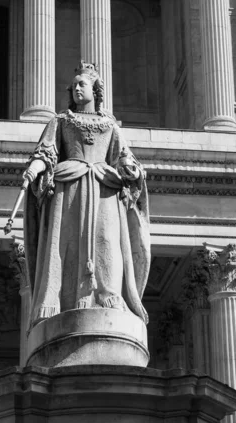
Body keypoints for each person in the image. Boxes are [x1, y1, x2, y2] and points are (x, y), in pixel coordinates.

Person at [23, 61, 150, 327]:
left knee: (106, 240)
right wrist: (34, 169)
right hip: (69, 187)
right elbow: (46, 153)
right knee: (65, 243)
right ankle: (59, 298)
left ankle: (108, 294)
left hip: (104, 186)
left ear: (95, 90)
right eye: (74, 86)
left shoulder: (110, 125)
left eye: (83, 85)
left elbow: (124, 158)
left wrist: (132, 172)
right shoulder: (60, 120)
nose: (77, 90)